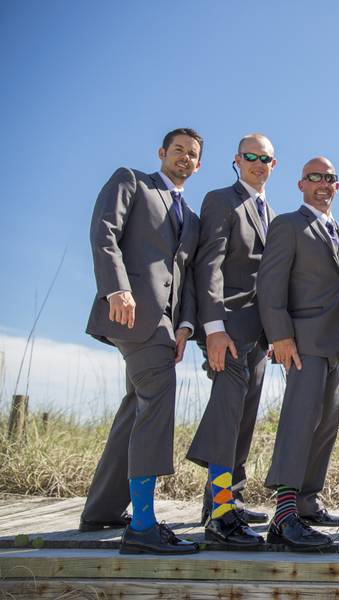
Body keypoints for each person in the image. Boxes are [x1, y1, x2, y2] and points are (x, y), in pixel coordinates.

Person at [81, 128, 203, 555]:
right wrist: (116, 288)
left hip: (166, 325)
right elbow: (104, 232)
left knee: (136, 407)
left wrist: (186, 325)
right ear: (162, 152)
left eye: (192, 154)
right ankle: (144, 526)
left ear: (199, 164)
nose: (184, 157)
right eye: (178, 150)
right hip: (130, 310)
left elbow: (187, 274)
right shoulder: (131, 181)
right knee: (157, 401)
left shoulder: (192, 217)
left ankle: (101, 510)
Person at [257, 156, 339, 551]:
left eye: (329, 178)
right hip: (301, 343)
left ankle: (307, 502)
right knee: (299, 421)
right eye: (314, 177)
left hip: (336, 344)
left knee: (325, 425)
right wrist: (280, 336)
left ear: (337, 186)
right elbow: (270, 285)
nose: (322, 184)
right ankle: (284, 516)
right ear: (301, 184)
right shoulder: (288, 224)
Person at [186, 133, 276, 547]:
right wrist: (214, 328)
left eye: (266, 158)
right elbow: (209, 265)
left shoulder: (270, 212)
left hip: (258, 333)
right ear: (237, 160)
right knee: (225, 414)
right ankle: (221, 515)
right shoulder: (221, 200)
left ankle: (226, 499)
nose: (259, 163)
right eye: (251, 156)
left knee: (243, 417)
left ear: (273, 165)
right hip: (227, 328)